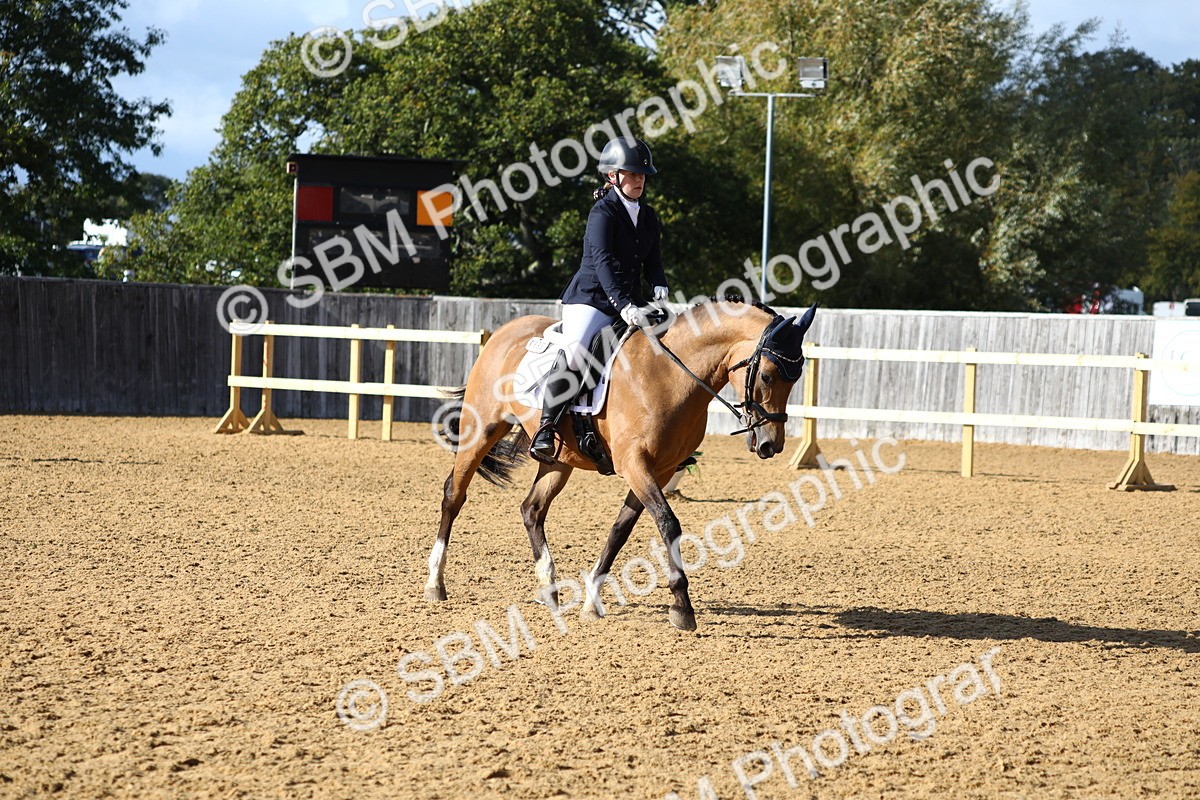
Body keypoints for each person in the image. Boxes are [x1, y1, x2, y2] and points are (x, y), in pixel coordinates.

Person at [528, 137, 668, 464]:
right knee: (578, 350)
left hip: (630, 300)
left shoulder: (648, 216)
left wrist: (659, 284)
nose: (639, 180)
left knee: (665, 344)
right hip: (591, 300)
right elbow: (603, 263)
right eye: (631, 174)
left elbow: (654, 261)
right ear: (612, 177)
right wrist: (624, 305)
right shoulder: (602, 213)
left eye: (642, 175)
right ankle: (547, 428)